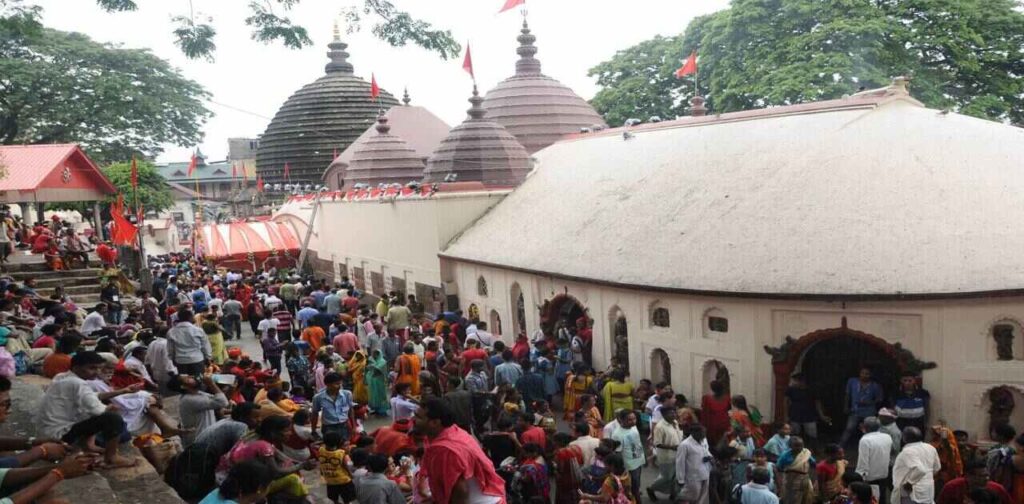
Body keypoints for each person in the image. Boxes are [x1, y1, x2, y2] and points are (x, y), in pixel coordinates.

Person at [36, 351, 137, 468]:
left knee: (91, 411)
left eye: (99, 368)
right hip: (60, 434)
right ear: (76, 367)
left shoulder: (63, 376)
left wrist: (123, 391)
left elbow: (94, 396)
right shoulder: (77, 383)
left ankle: (88, 446)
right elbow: (98, 410)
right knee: (113, 418)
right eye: (92, 368)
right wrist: (111, 408)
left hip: (50, 430)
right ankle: (111, 457)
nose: (97, 372)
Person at [415, 397, 506, 504]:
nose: (413, 420)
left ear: (435, 422)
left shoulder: (444, 450)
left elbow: (461, 493)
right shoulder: (453, 431)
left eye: (418, 417)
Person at [219, 416, 316, 500]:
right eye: (287, 430)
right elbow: (276, 473)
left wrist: (298, 463)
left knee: (288, 465)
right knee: (294, 479)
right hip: (236, 483)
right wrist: (301, 465)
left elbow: (280, 455)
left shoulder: (255, 436)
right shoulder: (264, 446)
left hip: (224, 475)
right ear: (273, 433)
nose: (290, 433)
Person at [169, 371, 229, 446]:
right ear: (184, 386)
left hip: (208, 437)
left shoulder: (198, 393)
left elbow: (218, 401)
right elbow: (223, 402)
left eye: (190, 375)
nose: (192, 377)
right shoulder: (189, 399)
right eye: (188, 378)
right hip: (201, 442)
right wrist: (211, 383)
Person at [892, 427, 941, 504]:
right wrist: (927, 478)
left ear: (904, 438)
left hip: (912, 493)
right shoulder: (930, 448)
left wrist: (910, 482)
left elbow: (920, 469)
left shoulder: (908, 451)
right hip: (927, 490)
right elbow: (937, 468)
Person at [840, 367, 884, 448]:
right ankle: (840, 446)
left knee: (869, 431)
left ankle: (870, 447)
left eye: (867, 374)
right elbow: (847, 395)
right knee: (849, 428)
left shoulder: (875, 386)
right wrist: (846, 406)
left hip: (869, 411)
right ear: (859, 373)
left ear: (870, 375)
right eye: (862, 373)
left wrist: (870, 402)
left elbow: (880, 399)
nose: (864, 375)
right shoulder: (852, 381)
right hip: (855, 410)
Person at [937, 459, 1012, 504]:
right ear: (967, 476)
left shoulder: (997, 488)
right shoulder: (952, 487)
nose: (986, 478)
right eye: (981, 476)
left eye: (987, 475)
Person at [648, 405, 683, 502]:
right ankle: (651, 488)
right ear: (663, 414)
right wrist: (672, 447)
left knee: (675, 477)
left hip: (677, 455)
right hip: (666, 456)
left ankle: (673, 494)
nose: (674, 415)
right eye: (670, 413)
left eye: (674, 412)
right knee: (666, 477)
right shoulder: (660, 427)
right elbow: (657, 443)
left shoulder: (675, 423)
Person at [857, 417, 894, 504]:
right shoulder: (887, 437)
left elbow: (863, 461)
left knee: (871, 500)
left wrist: (860, 476)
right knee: (882, 498)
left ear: (865, 427)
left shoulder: (865, 440)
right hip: (884, 474)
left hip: (870, 478)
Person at [167, 308, 212, 376]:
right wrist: (208, 358)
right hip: (197, 360)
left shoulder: (171, 332)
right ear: (189, 317)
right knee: (199, 382)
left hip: (180, 362)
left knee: (184, 383)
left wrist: (172, 359)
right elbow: (205, 346)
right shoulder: (198, 330)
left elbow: (170, 349)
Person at [311, 372, 353, 442]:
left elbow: (351, 411)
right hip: (329, 428)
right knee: (332, 449)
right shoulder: (318, 398)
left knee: (345, 447)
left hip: (344, 426)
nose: (339, 386)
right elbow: (314, 414)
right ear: (328, 385)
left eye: (340, 383)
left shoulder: (347, 394)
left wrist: (353, 427)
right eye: (336, 384)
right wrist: (313, 430)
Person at [676, 424, 712, 504]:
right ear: (694, 433)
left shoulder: (704, 440)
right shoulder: (685, 445)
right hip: (693, 476)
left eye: (704, 433)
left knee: (703, 497)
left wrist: (709, 457)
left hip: (705, 472)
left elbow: (707, 450)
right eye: (702, 433)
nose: (704, 435)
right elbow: (680, 463)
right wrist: (680, 479)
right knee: (691, 496)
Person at [318, 430, 356, 504]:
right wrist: (351, 475)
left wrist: (322, 472)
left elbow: (321, 462)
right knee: (347, 498)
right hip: (343, 480)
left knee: (333, 497)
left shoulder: (321, 449)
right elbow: (346, 466)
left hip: (330, 480)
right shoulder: (341, 453)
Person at [778, 435, 815, 504]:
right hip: (791, 481)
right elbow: (779, 467)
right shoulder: (785, 455)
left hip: (805, 480)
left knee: (806, 498)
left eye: (801, 445)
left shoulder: (805, 453)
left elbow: (813, 463)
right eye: (796, 446)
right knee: (792, 498)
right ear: (790, 446)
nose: (800, 448)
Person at [701, 380, 732, 447]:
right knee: (723, 444)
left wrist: (704, 426)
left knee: (714, 445)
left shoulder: (707, 399)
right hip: (724, 424)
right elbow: (729, 409)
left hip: (712, 426)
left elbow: (704, 414)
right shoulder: (727, 398)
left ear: (712, 389)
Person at [366, 348, 390, 416]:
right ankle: (376, 409)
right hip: (373, 382)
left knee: (381, 395)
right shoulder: (373, 360)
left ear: (378, 354)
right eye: (372, 354)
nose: (372, 356)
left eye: (374, 354)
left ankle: (382, 411)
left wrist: (372, 366)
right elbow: (368, 368)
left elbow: (377, 369)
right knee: (374, 396)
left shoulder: (382, 361)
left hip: (380, 382)